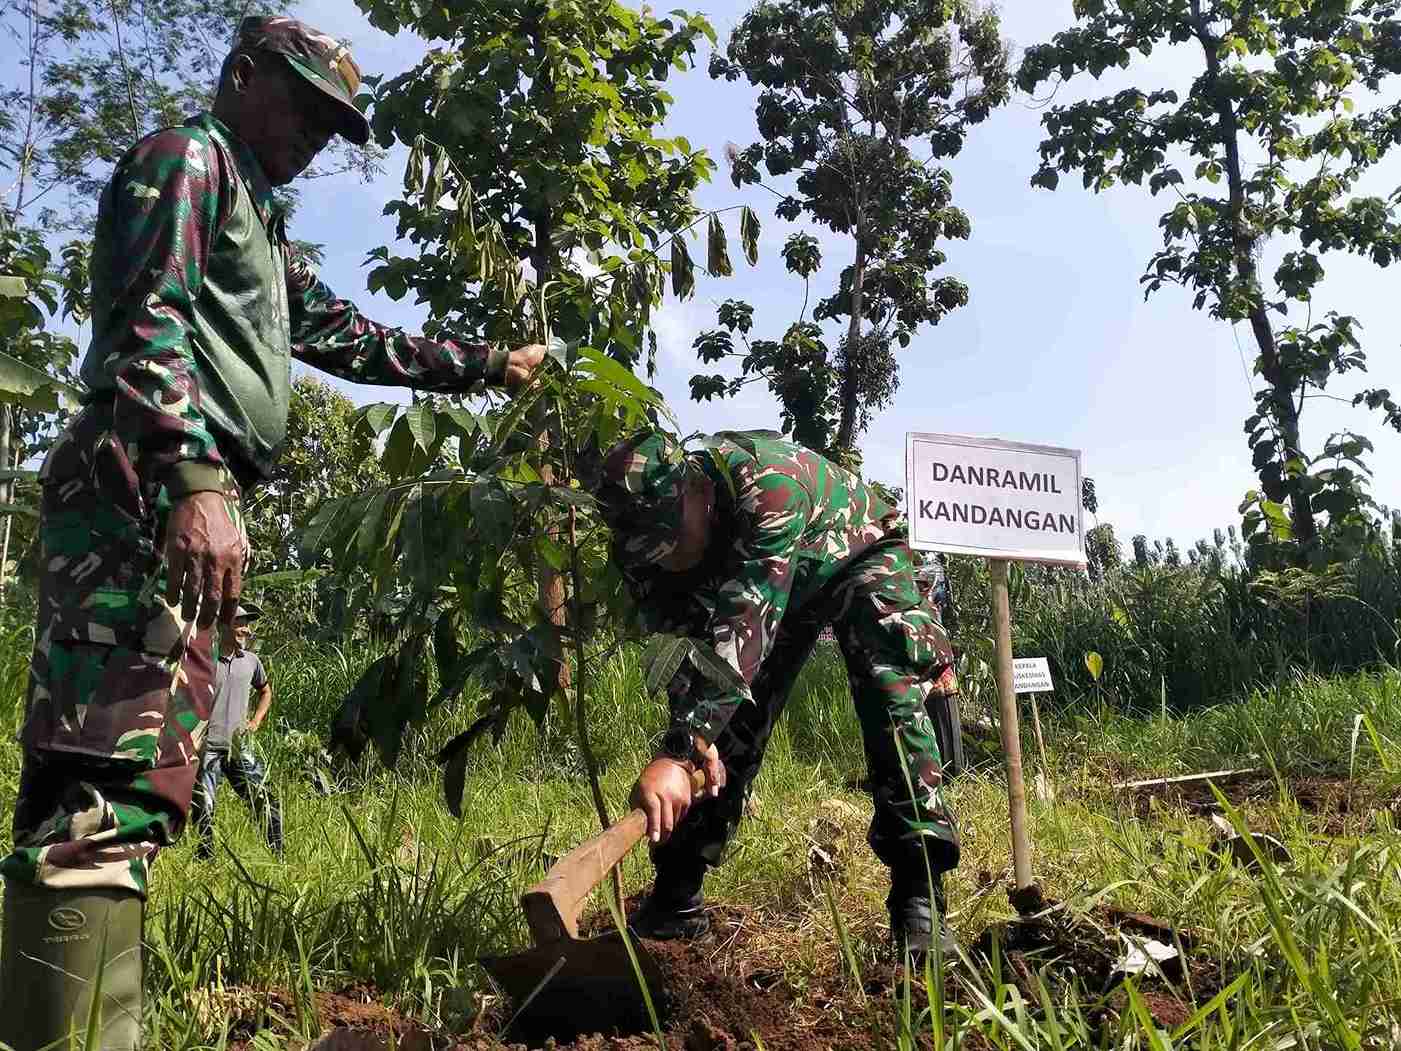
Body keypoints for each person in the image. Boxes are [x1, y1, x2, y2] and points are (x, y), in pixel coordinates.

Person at [0, 15, 545, 1048]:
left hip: (171, 493)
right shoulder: (189, 160)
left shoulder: (257, 214)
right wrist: (196, 479)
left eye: (333, 126)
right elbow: (142, 317)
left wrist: (485, 363)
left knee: (133, 781)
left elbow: (342, 332)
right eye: (302, 106)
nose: (314, 136)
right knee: (105, 784)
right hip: (144, 488)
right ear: (242, 76)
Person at [593, 430, 962, 962]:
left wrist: (678, 749)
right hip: (774, 586)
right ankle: (676, 896)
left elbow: (746, 622)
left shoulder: (769, 490)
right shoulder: (639, 543)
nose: (666, 557)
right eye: (652, 548)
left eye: (672, 537)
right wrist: (695, 741)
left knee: (889, 691)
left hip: (856, 553)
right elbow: (686, 647)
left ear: (697, 492)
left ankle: (918, 898)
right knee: (726, 726)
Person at [192, 605, 282, 859]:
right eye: (240, 623)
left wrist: (255, 722)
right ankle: (204, 858)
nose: (247, 629)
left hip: (239, 746)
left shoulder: (251, 662)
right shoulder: (206, 661)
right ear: (223, 626)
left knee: (265, 799)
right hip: (207, 747)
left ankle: (278, 854)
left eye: (247, 624)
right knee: (204, 807)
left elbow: (266, 691)